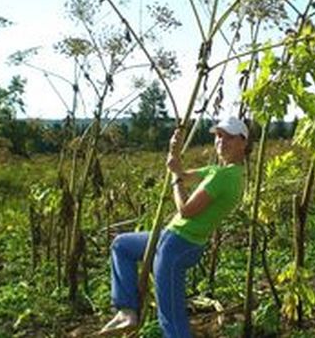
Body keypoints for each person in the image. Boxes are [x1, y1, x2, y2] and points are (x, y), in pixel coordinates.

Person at [99, 117, 249, 337]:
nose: (221, 142)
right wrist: (174, 154)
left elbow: (186, 210)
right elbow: (183, 173)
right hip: (170, 238)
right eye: (218, 136)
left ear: (243, 143)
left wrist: (175, 181)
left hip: (179, 245)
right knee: (122, 245)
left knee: (170, 315)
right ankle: (126, 311)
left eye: (229, 137)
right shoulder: (220, 171)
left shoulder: (224, 177)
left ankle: (136, 316)